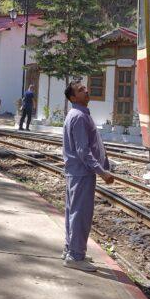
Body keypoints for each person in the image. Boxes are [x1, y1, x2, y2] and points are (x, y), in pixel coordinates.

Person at [61, 80, 114, 272]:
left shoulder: (75, 114)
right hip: (82, 172)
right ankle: (76, 256)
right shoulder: (80, 117)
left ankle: (71, 249)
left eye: (85, 88)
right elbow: (84, 151)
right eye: (81, 90)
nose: (86, 91)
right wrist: (102, 171)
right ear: (73, 97)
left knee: (73, 211)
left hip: (76, 171)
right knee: (80, 214)